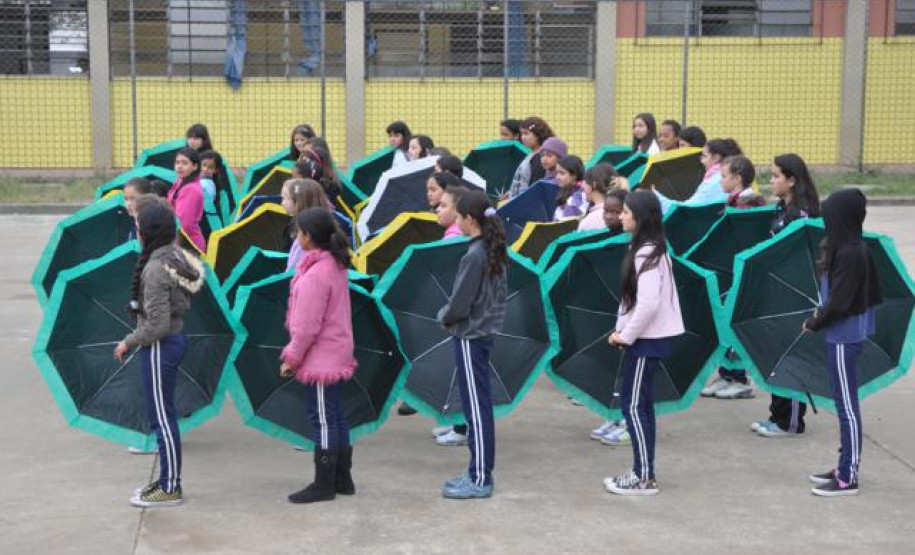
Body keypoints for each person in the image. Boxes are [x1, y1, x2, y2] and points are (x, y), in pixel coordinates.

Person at [114, 200, 205, 507]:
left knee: (162, 419)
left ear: (145, 233)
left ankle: (170, 487)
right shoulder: (173, 256)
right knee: (162, 416)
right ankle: (167, 479)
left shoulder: (154, 269)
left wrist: (128, 340)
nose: (135, 232)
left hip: (159, 348)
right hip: (170, 343)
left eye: (137, 228)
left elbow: (157, 325)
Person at [604, 190, 684, 496]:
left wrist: (626, 336)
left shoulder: (646, 252)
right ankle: (643, 471)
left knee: (634, 407)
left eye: (625, 211)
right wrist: (620, 328)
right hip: (647, 339)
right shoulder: (650, 248)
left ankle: (643, 476)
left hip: (646, 342)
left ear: (640, 217)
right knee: (641, 406)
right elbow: (633, 301)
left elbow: (648, 304)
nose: (620, 216)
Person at [805, 188, 881, 497]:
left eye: (831, 215)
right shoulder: (845, 248)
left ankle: (848, 476)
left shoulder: (852, 252)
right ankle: (843, 465)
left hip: (843, 338)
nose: (827, 220)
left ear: (843, 218)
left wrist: (815, 322)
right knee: (843, 402)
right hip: (841, 334)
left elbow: (839, 303)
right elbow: (836, 297)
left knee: (846, 406)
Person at [281, 208, 358, 504]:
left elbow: (305, 327)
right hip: (335, 352)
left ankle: (324, 484)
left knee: (323, 419)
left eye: (298, 233)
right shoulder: (333, 265)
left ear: (309, 237)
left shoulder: (316, 274)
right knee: (335, 416)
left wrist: (291, 357)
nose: (296, 238)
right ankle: (342, 479)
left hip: (321, 358)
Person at [437, 190, 508, 499]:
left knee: (476, 410)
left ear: (469, 220)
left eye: (459, 216)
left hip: (470, 336)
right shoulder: (490, 249)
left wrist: (444, 316)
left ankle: (480, 477)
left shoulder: (475, 255)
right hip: (484, 333)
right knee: (478, 407)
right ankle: (477, 471)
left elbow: (459, 305)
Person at [752, 153, 821, 438]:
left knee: (791, 355)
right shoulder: (782, 209)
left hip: (796, 295)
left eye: (775, 176)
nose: (771, 181)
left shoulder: (801, 215)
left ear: (791, 180)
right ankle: (777, 415)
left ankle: (790, 421)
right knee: (776, 354)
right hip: (778, 292)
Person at [700, 154, 765, 401]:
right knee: (723, 322)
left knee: (734, 322)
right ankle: (726, 374)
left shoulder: (749, 204)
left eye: (724, 176)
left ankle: (740, 378)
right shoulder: (733, 201)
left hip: (741, 272)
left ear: (737, 178)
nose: (720, 181)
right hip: (728, 271)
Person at [431, 184, 473, 447]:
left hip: (460, 318)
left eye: (444, 205)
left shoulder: (456, 239)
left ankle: (462, 426)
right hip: (455, 315)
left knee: (462, 375)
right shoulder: (453, 234)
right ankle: (457, 421)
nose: (437, 207)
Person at [649, 138, 743, 213]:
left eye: (704, 156)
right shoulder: (723, 176)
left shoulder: (713, 181)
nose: (701, 160)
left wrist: (656, 196)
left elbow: (686, 209)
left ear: (716, 158)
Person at [281, 179, 332, 270]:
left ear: (298, 202)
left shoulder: (304, 235)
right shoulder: (329, 222)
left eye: (288, 198)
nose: (282, 203)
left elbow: (293, 270)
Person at [168, 147, 206, 253]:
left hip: (188, 244)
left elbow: (185, 224)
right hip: (179, 241)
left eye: (184, 163)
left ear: (195, 166)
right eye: (177, 162)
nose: (179, 166)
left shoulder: (191, 189)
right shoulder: (180, 181)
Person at [508, 116, 554, 198]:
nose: (523, 137)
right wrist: (511, 192)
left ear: (538, 135)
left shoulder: (540, 158)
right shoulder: (531, 155)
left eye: (526, 133)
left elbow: (535, 188)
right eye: (522, 134)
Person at [578, 163, 616, 231]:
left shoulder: (589, 221)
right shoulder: (622, 212)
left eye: (585, 182)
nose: (582, 185)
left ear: (593, 184)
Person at [553, 155, 587, 221]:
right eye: (557, 173)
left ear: (574, 175)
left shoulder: (576, 199)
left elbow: (565, 225)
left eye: (562, 173)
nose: (557, 177)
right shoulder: (568, 191)